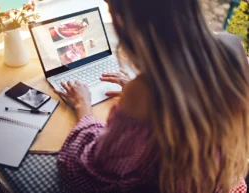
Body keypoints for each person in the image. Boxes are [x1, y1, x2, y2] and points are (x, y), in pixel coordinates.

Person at [54, 0, 249, 192]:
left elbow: (98, 168)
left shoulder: (144, 90)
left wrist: (83, 106)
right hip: (225, 180)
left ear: (130, 23)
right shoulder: (232, 47)